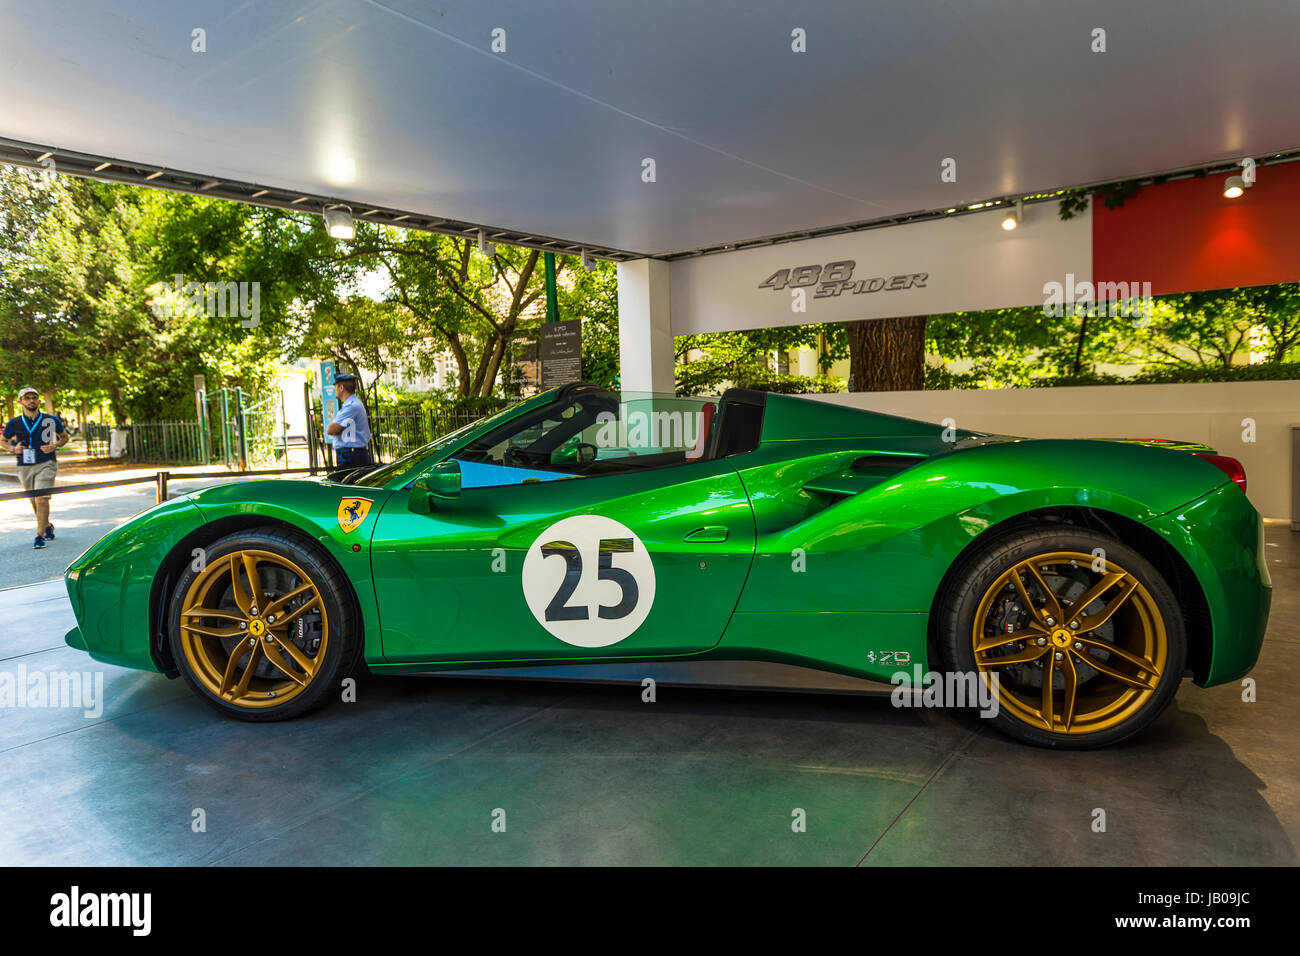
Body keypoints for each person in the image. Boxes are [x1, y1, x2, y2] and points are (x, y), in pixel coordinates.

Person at [4, 386, 69, 549]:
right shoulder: (15, 422)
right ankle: (46, 525)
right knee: (34, 499)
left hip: (46, 462)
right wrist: (13, 449)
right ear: (20, 402)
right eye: (27, 398)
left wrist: (55, 445)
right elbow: (2, 440)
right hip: (24, 465)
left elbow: (64, 437)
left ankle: (39, 535)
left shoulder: (51, 420)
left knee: (41, 498)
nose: (31, 400)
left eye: (34, 397)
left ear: (38, 400)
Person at [325, 372, 372, 468]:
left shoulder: (351, 406)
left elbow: (331, 429)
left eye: (335, 387)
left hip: (351, 457)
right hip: (351, 454)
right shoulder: (351, 404)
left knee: (348, 482)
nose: (334, 390)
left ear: (341, 388)